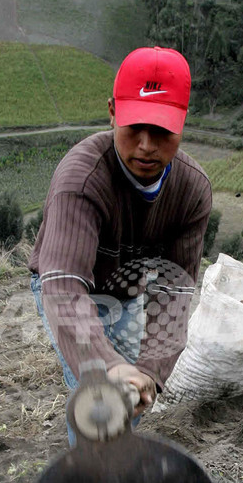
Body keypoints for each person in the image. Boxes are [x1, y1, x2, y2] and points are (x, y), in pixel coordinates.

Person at [29, 46, 212, 428]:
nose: (146, 145)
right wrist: (106, 367)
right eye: (134, 127)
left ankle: (116, 462)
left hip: (128, 288)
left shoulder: (191, 190)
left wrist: (149, 370)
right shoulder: (82, 181)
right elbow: (63, 286)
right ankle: (97, 481)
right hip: (71, 286)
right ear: (112, 111)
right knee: (99, 395)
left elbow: (175, 292)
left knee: (133, 393)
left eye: (162, 130)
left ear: (182, 123)